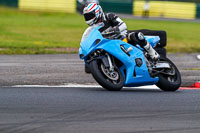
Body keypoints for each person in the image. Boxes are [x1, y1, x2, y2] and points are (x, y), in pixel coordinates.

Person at [83, 3, 160, 60]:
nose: (88, 18)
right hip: (108, 45)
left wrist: (114, 30)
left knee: (136, 35)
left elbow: (123, 25)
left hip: (122, 38)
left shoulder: (109, 16)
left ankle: (152, 53)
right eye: (86, 16)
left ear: (97, 12)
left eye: (89, 16)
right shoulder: (92, 28)